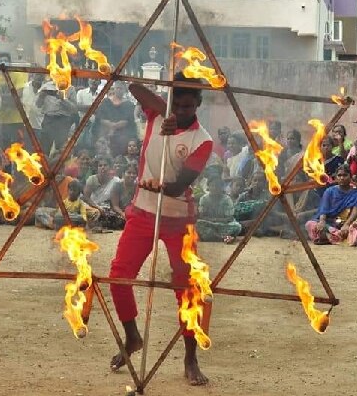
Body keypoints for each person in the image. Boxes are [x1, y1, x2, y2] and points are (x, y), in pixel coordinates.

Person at [108, 74, 212, 385]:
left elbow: (180, 185)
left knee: (187, 289)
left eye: (188, 106)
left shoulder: (202, 140)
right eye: (177, 104)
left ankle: (190, 357)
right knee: (119, 276)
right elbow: (134, 87)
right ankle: (132, 337)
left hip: (178, 218)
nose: (182, 110)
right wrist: (164, 111)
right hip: (142, 212)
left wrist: (160, 186)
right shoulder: (157, 113)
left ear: (197, 105)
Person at [306, 165, 357, 245]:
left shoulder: (356, 194)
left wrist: (346, 225)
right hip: (329, 223)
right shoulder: (329, 191)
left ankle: (329, 236)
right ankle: (333, 235)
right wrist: (322, 221)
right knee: (310, 224)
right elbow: (324, 209)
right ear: (336, 177)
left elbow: (355, 211)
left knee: (353, 230)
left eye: (345, 175)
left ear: (350, 177)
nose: (342, 178)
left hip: (344, 224)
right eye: (339, 175)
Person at [95, 81, 137, 157]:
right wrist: (111, 126)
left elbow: (127, 121)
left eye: (121, 88)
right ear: (114, 89)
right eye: (117, 88)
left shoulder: (129, 105)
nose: (119, 90)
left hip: (122, 137)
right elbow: (100, 118)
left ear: (125, 90)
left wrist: (114, 127)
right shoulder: (106, 102)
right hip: (105, 136)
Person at [37, 79, 78, 155]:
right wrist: (41, 97)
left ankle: (59, 165)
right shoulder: (46, 86)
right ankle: (43, 165)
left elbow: (74, 109)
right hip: (48, 120)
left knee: (61, 148)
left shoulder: (70, 88)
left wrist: (63, 99)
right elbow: (38, 105)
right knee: (44, 148)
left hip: (63, 121)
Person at [196, 177, 242, 243]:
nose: (215, 188)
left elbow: (229, 218)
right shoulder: (204, 199)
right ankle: (223, 238)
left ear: (222, 187)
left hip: (223, 224)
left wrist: (217, 221)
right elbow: (201, 216)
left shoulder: (227, 199)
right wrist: (213, 221)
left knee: (237, 226)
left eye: (218, 186)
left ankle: (213, 236)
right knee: (198, 224)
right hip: (209, 224)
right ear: (208, 186)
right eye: (212, 185)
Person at [84, 156, 124, 230]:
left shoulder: (115, 181)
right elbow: (86, 198)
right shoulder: (91, 179)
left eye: (105, 165)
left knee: (119, 221)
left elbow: (115, 203)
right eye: (100, 165)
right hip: (92, 207)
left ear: (110, 167)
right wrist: (97, 207)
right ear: (97, 168)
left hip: (106, 209)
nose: (103, 167)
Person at [234, 170, 272, 237]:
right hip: (246, 221)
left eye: (260, 181)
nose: (257, 183)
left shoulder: (267, 196)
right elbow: (235, 210)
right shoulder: (243, 196)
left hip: (261, 221)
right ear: (251, 182)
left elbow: (271, 211)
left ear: (265, 183)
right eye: (255, 180)